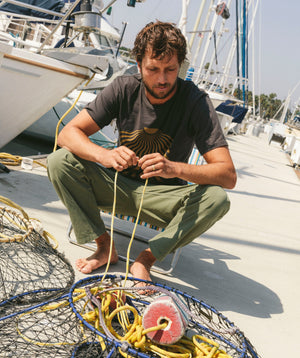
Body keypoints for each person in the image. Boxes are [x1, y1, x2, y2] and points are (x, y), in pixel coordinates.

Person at [47, 21, 237, 284]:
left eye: (171, 70)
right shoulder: (124, 88)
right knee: (59, 160)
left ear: (180, 66)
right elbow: (67, 134)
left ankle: (146, 259)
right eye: (153, 69)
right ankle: (104, 245)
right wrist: (104, 155)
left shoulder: (196, 101)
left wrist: (174, 168)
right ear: (139, 64)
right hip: (115, 186)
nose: (162, 79)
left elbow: (227, 175)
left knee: (217, 199)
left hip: (163, 198)